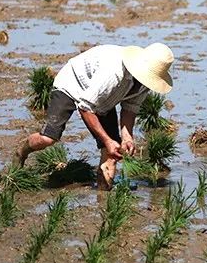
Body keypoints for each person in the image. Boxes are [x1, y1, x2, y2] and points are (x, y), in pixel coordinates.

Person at [14, 43, 175, 190]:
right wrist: (107, 140)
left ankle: (103, 194)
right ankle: (21, 151)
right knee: (48, 139)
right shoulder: (114, 72)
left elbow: (130, 109)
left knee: (112, 154)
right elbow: (85, 108)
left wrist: (127, 137)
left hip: (103, 99)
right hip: (72, 84)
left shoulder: (144, 84)